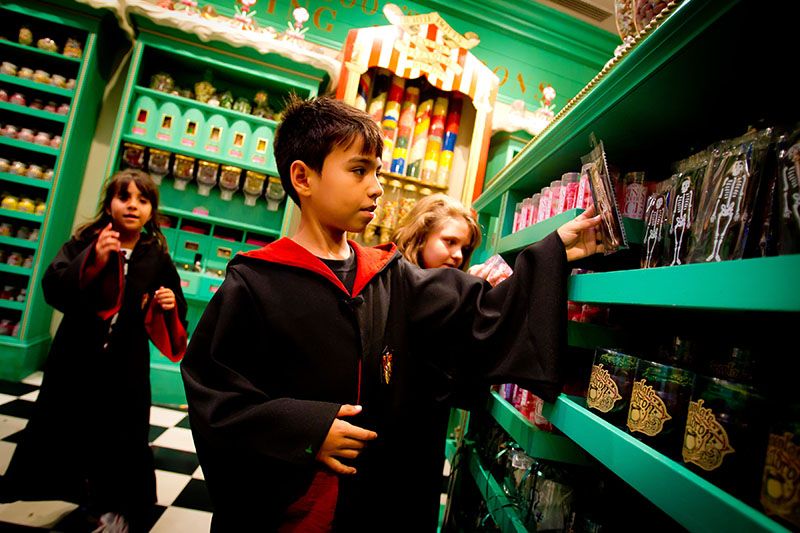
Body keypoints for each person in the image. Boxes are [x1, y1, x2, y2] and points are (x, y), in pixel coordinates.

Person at [181, 95, 602, 532]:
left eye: (377, 172)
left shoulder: (390, 275)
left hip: (377, 504)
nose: (376, 187)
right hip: (294, 512)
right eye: (359, 170)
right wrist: (308, 429)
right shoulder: (256, 283)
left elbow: (481, 311)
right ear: (303, 177)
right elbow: (215, 396)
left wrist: (555, 251)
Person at [1, 169, 188, 532]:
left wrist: (167, 302)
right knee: (71, 425)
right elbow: (54, 289)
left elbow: (173, 301)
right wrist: (95, 261)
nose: (133, 205)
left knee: (123, 434)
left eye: (143, 199)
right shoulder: (86, 242)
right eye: (124, 197)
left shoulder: (156, 256)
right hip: (77, 356)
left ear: (152, 210)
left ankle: (115, 507)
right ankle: (77, 497)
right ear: (109, 204)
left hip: (127, 363)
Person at [392, 192, 511, 286]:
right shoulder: (391, 280)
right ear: (420, 235)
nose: (459, 256)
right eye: (450, 241)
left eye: (465, 249)